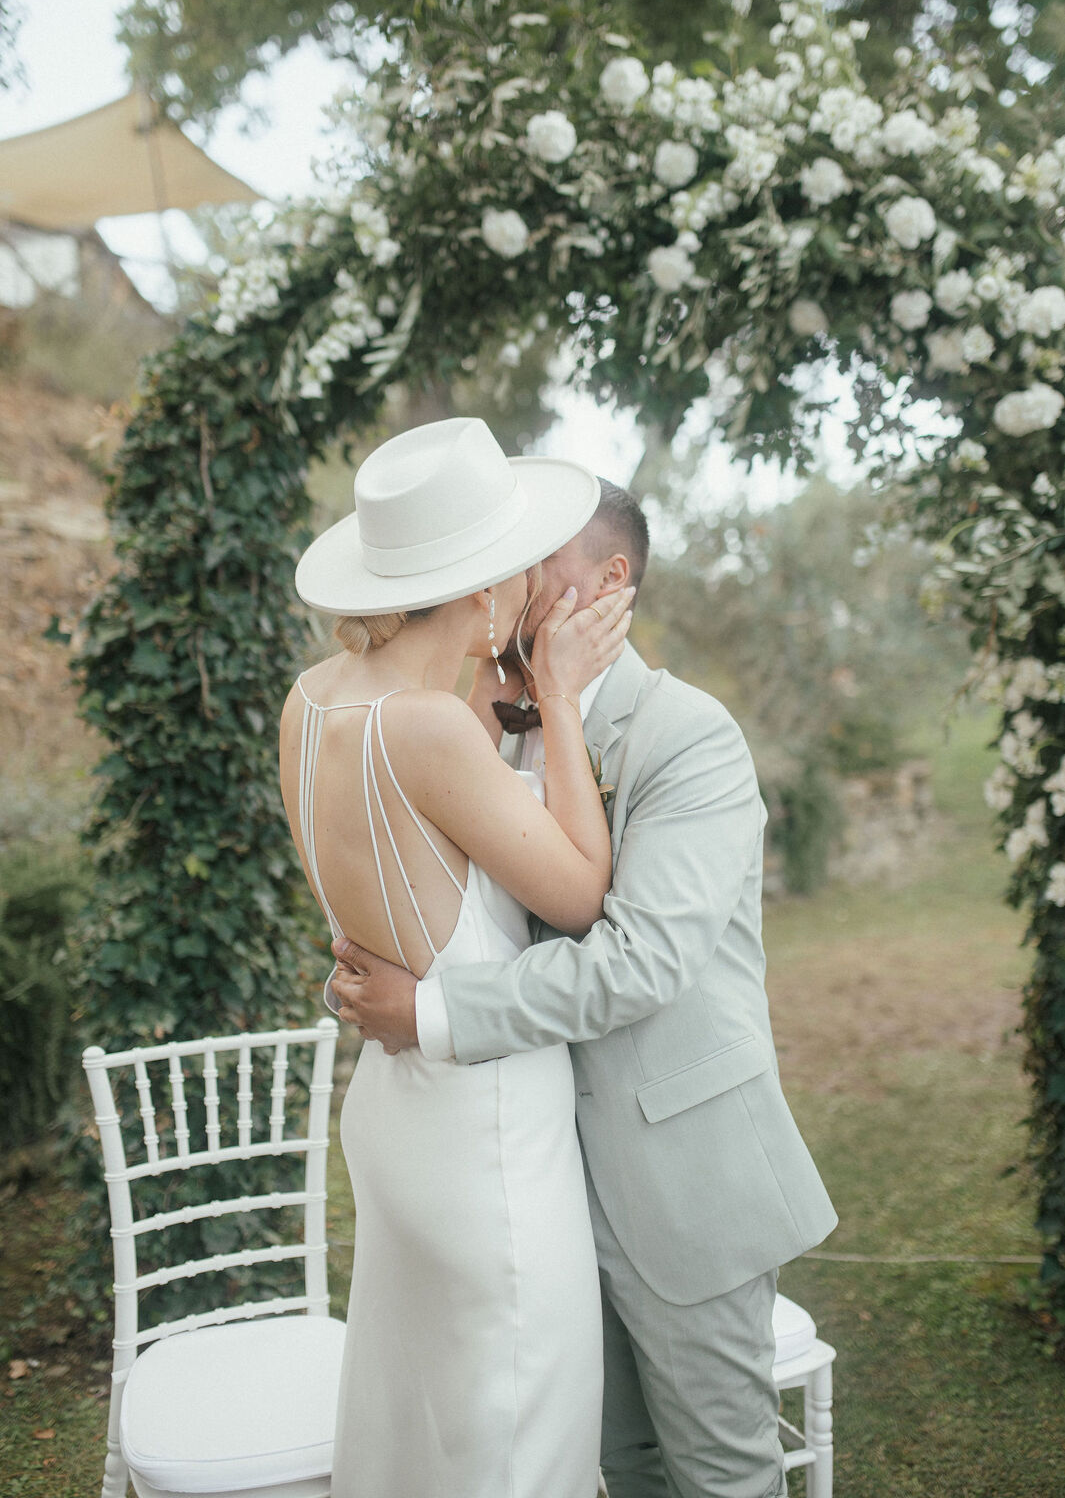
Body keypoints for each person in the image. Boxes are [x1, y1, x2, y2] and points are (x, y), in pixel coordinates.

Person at [330, 478, 839, 1498]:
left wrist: (431, 1014)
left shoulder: (689, 738)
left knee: (721, 1472)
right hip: (540, 1183)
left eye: (540, 558)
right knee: (622, 1465)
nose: (514, 582)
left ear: (612, 582)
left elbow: (640, 961)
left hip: (682, 1177)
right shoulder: (493, 724)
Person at [278, 415, 633, 1498]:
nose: (538, 583)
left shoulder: (312, 701)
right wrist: (562, 700)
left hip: (392, 1111)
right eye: (522, 566)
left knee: (415, 1422)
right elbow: (579, 888)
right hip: (487, 1137)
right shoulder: (429, 729)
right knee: (517, 1438)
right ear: (482, 592)